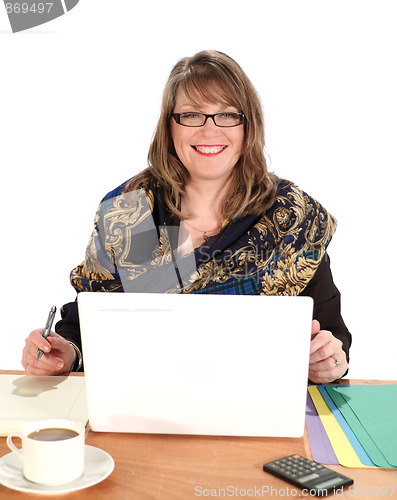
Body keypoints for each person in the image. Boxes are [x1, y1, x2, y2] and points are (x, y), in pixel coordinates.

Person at [22, 50, 351, 384]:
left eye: (226, 115)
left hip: (254, 407)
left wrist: (329, 360)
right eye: (192, 114)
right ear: (170, 125)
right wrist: (67, 353)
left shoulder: (289, 217)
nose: (209, 131)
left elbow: (331, 336)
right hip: (145, 404)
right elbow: (90, 321)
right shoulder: (134, 213)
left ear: (248, 126)